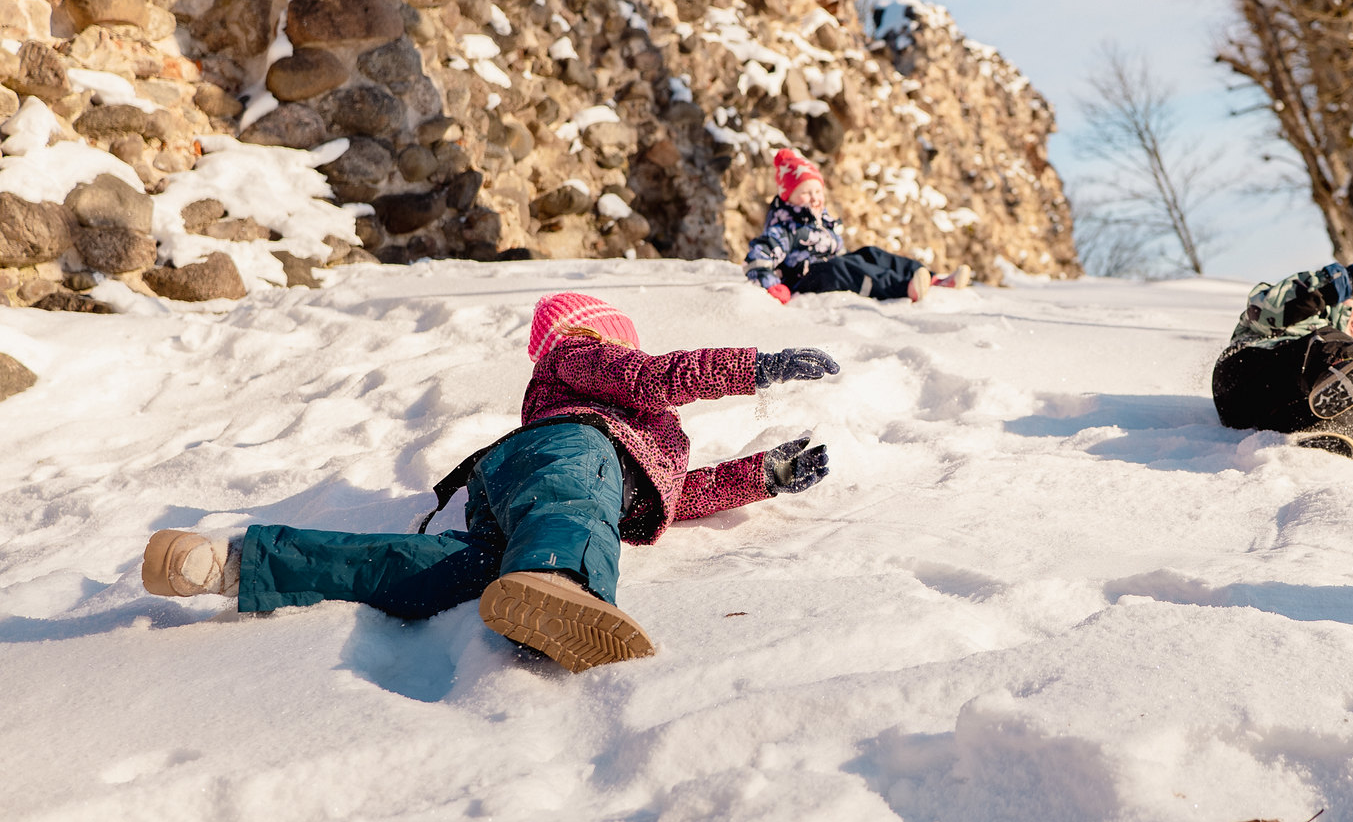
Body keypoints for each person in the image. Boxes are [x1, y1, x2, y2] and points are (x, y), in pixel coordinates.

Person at [139, 293, 841, 671]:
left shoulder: (640, 443)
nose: (633, 358)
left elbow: (674, 496)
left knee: (433, 571)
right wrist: (757, 366)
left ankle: (234, 563)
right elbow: (651, 376)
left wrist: (765, 475)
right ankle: (563, 584)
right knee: (572, 507)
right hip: (562, 459)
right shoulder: (581, 357)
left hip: (517, 493)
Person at [1212, 262, 1353, 459]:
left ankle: (1318, 436)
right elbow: (1264, 310)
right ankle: (1340, 369)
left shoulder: (1328, 348)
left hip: (1264, 409)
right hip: (1244, 372)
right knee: (1328, 345)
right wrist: (1324, 287)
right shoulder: (1312, 326)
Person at [745, 148, 969, 304]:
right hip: (804, 279)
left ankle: (932, 278)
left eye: (817, 191)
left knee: (868, 254)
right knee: (842, 268)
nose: (814, 198)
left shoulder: (822, 222)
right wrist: (772, 285)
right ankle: (903, 288)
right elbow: (759, 254)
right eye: (805, 193)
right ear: (788, 197)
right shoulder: (786, 227)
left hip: (829, 268)